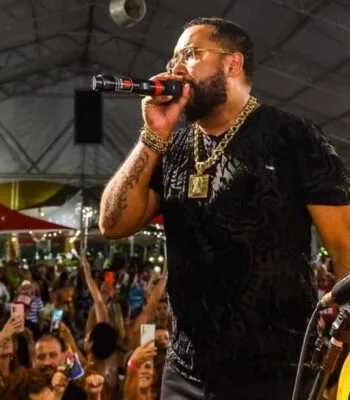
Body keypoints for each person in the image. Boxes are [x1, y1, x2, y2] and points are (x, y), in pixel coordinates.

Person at [98, 16, 350, 399]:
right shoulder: (172, 148)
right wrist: (153, 134)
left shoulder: (294, 137)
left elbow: (345, 246)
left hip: (276, 374)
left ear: (233, 63)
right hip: (185, 373)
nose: (175, 67)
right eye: (172, 59)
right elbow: (112, 223)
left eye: (190, 54)